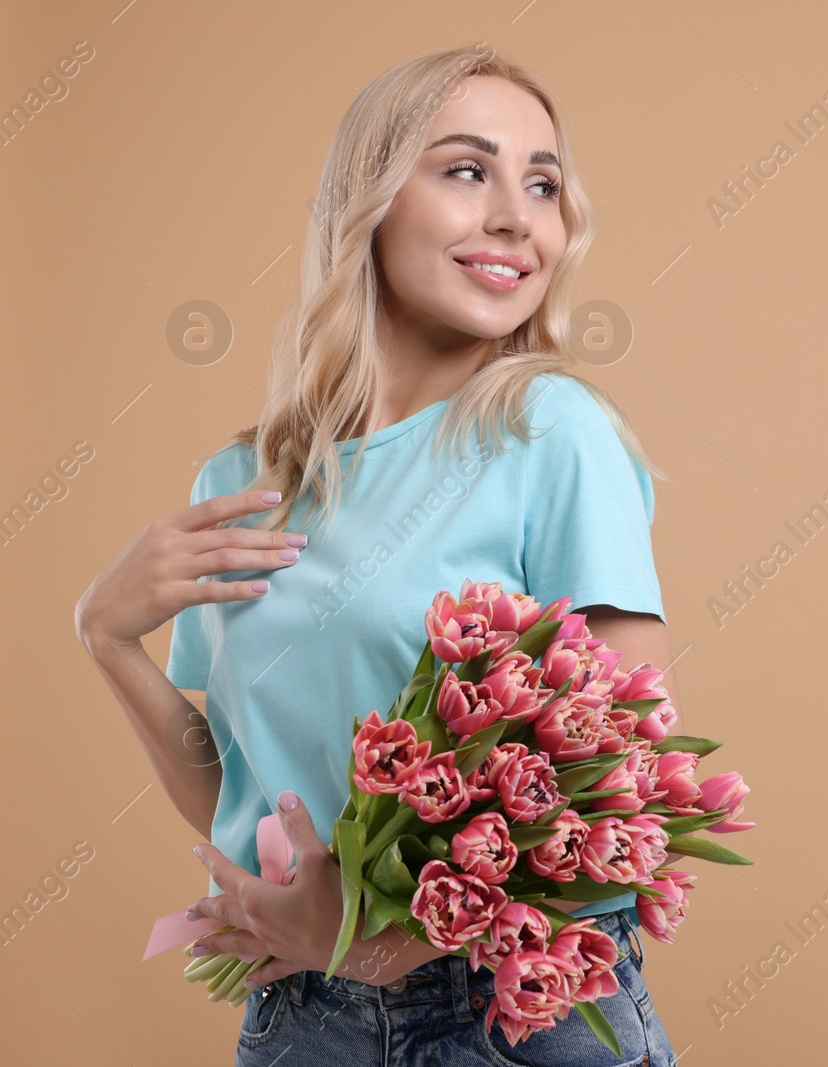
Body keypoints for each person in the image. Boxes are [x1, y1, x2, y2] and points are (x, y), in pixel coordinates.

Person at [74, 42, 681, 1067]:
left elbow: (618, 778)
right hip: (301, 1016)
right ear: (369, 200)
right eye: (464, 169)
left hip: (514, 1009)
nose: (514, 214)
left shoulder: (550, 432)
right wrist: (107, 636)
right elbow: (240, 787)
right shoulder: (242, 480)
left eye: (541, 183)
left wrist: (388, 944)